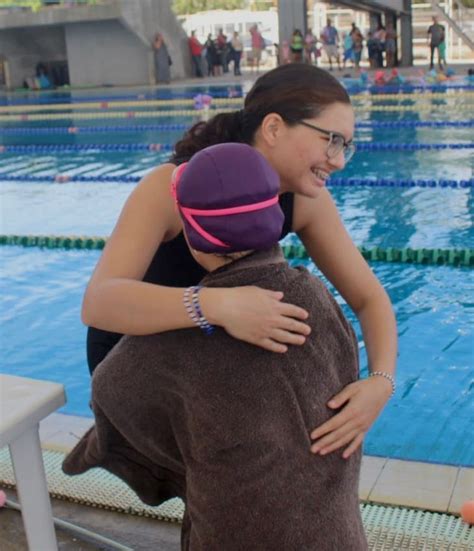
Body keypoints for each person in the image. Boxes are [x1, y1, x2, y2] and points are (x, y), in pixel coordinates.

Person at [84, 66, 397, 497]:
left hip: (212, 361)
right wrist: (216, 306)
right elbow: (99, 303)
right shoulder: (171, 187)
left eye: (347, 145)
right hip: (136, 367)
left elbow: (369, 298)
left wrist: (380, 382)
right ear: (273, 127)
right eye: (332, 139)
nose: (339, 160)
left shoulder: (303, 200)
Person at [64, 141, 373, 550]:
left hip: (231, 533)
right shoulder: (317, 298)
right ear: (275, 215)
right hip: (338, 535)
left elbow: (110, 392)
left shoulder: (177, 339)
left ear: (192, 236)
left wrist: (187, 457)